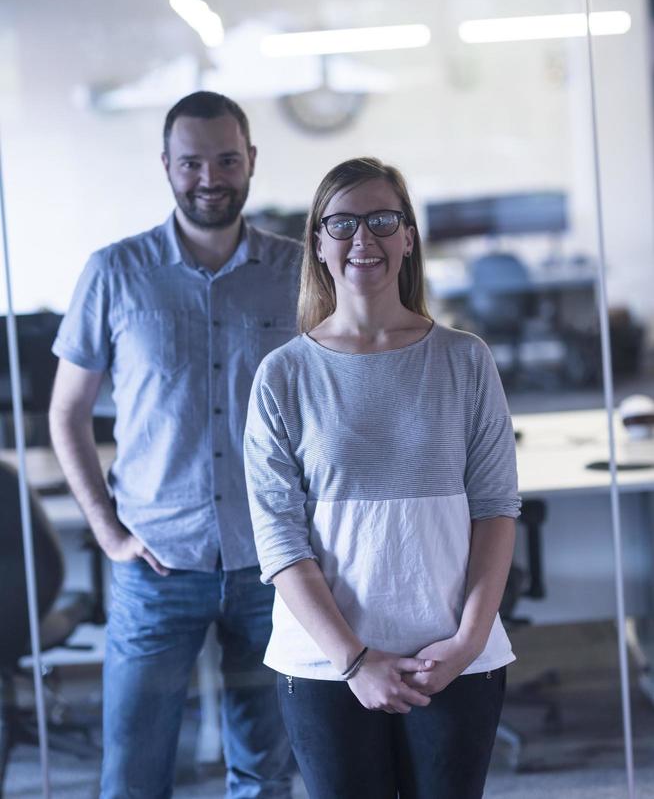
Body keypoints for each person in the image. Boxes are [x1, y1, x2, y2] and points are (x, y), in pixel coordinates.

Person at [244, 156, 520, 799]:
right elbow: (279, 538)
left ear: (408, 235)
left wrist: (465, 643)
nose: (361, 239)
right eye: (341, 223)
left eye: (381, 219)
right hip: (326, 664)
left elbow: (496, 510)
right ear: (317, 242)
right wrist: (356, 661)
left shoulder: (465, 359)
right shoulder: (283, 375)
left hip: (452, 657)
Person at [48, 91, 298, 799]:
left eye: (226, 159)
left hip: (274, 564)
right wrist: (109, 533)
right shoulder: (114, 273)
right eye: (192, 162)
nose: (209, 178)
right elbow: (67, 413)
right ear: (166, 165)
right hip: (156, 567)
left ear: (251, 160)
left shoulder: (300, 271)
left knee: (266, 774)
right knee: (133, 777)